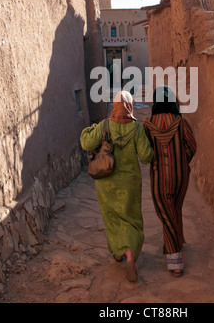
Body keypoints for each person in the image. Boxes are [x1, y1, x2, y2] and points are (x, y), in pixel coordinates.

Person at [80, 90, 153, 282]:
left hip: (106, 182)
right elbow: (146, 157)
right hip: (129, 182)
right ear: (129, 106)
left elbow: (86, 143)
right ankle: (130, 252)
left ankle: (119, 252)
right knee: (131, 217)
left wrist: (89, 130)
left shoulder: (104, 126)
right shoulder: (137, 128)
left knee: (112, 218)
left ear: (114, 106)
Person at [143, 86, 196, 277]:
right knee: (175, 209)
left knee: (166, 214)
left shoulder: (148, 125)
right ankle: (177, 240)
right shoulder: (181, 122)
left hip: (159, 178)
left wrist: (154, 160)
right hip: (181, 177)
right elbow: (192, 146)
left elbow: (145, 153)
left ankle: (175, 259)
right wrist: (182, 162)